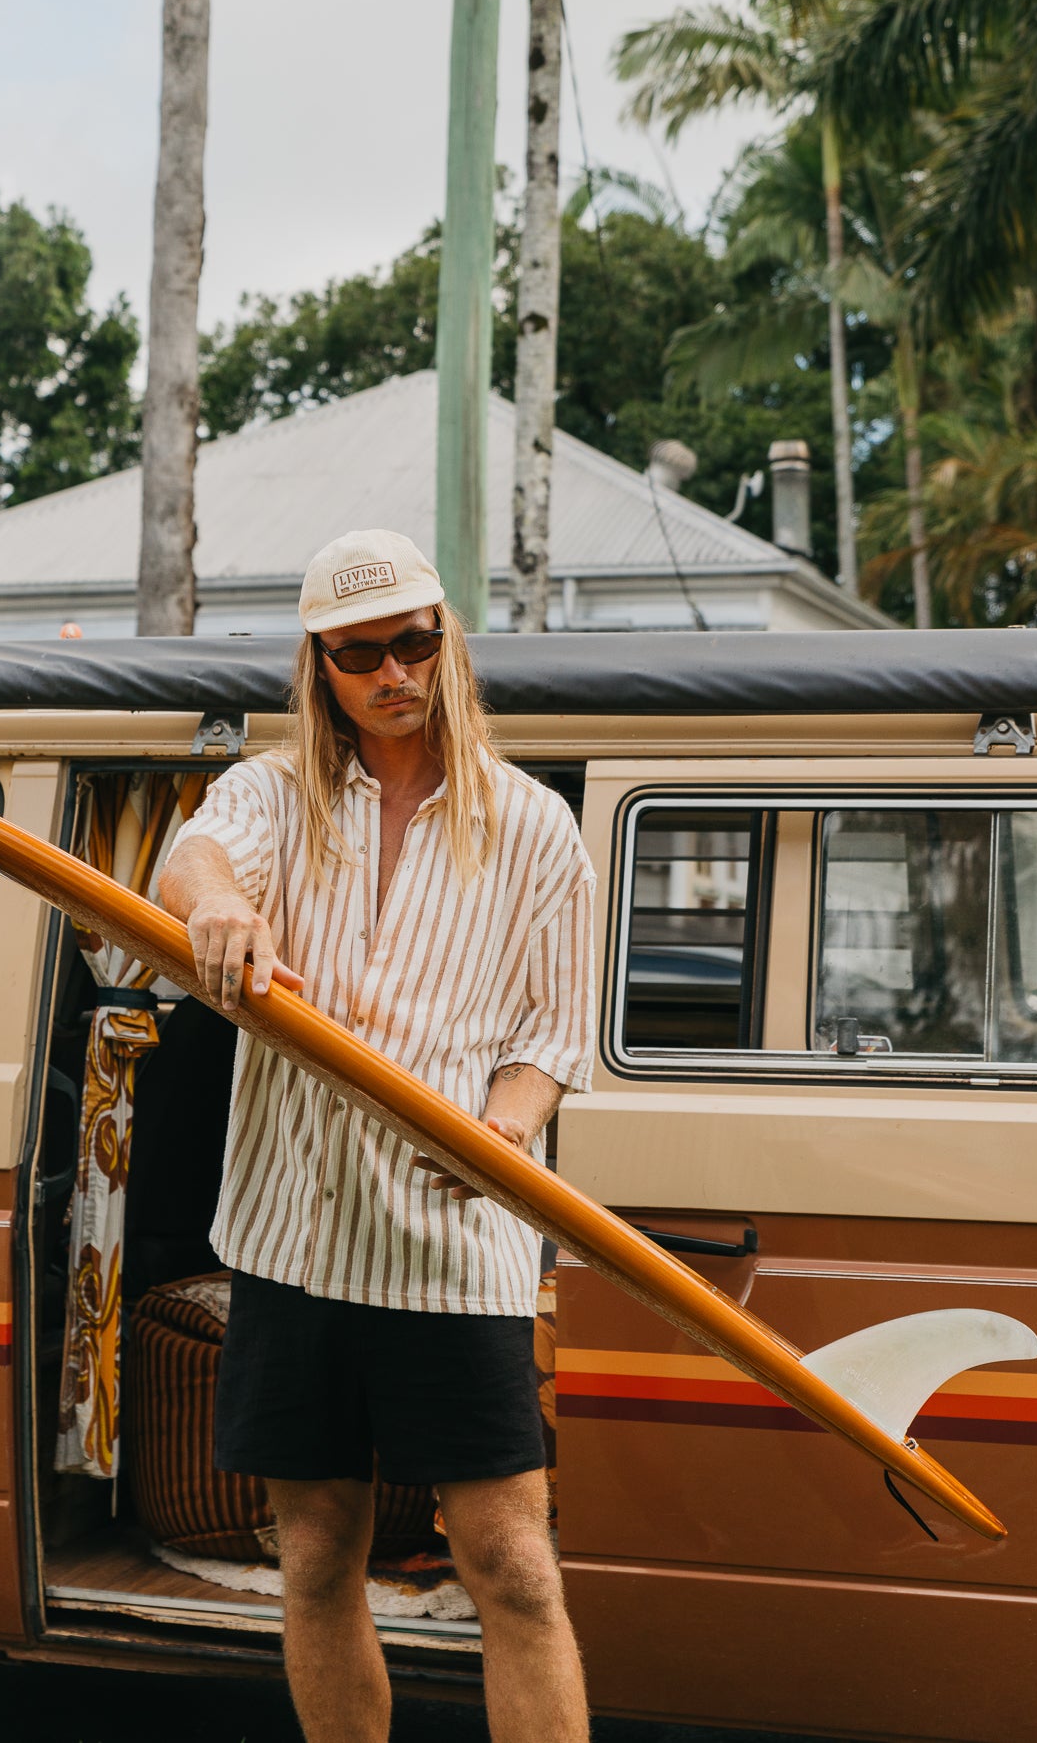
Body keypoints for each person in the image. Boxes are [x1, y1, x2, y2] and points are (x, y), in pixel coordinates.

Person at [160, 528, 596, 1743]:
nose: (395, 672)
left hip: (454, 1253)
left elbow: (551, 1039)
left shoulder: (533, 827)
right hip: (293, 1239)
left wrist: (500, 1135)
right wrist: (224, 907)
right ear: (322, 667)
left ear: (448, 641)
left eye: (416, 642)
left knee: (511, 1560)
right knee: (313, 1551)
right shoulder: (272, 794)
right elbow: (186, 859)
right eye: (363, 654)